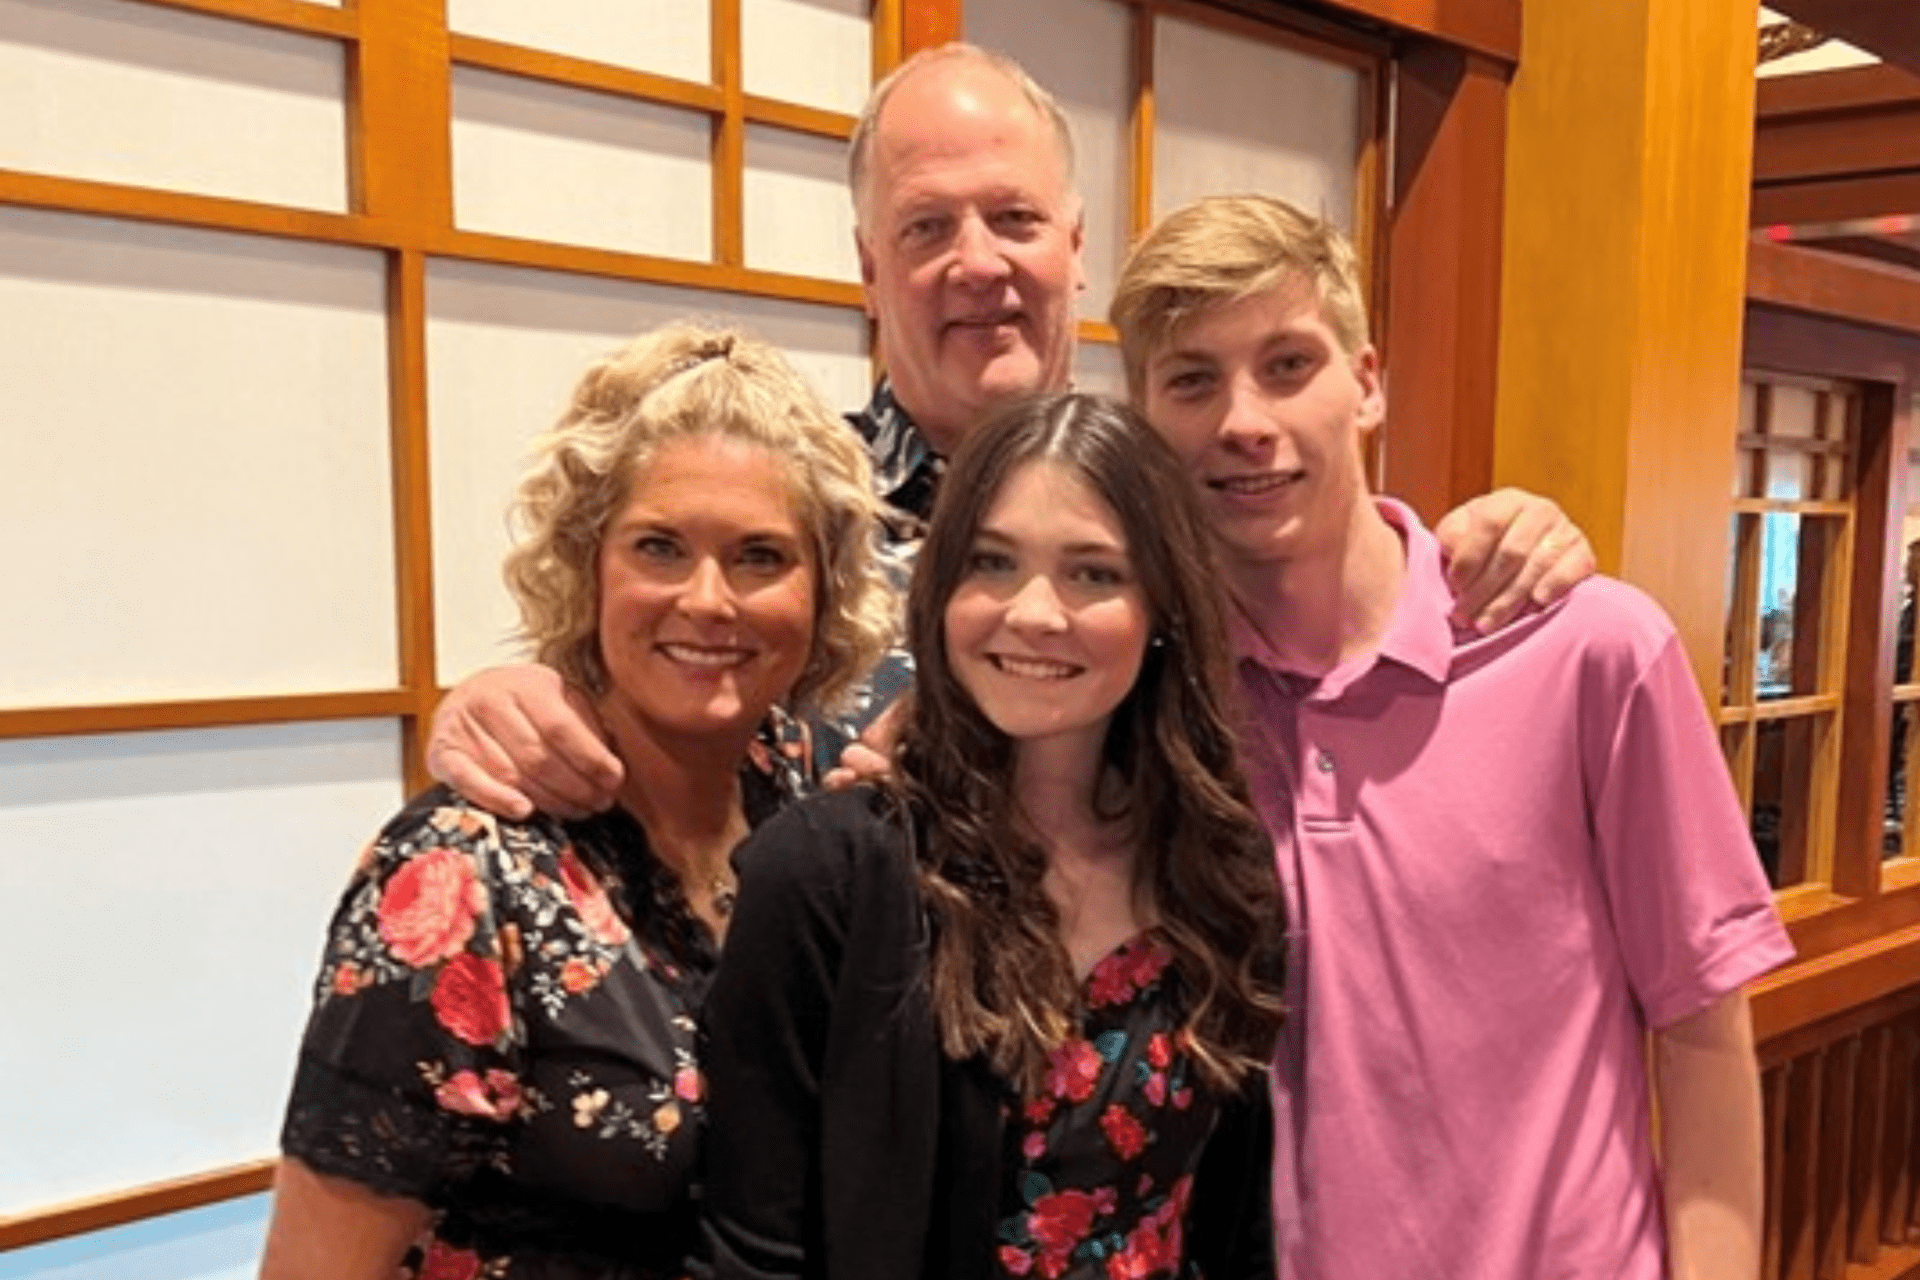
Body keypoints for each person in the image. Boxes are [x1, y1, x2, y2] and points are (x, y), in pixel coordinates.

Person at [423, 43, 1599, 818]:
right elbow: (631, 660)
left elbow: (1340, 599)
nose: (977, 262)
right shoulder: (779, 516)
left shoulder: (1175, 499)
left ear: (1076, 247)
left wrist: (1506, 537)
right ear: (870, 271)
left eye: (1014, 217)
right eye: (928, 226)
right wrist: (510, 694)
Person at [1109, 194, 1795, 1280]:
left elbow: (1705, 1038)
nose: (1244, 418)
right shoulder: (1149, 699)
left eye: (1288, 363)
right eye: (1193, 380)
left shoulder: (1590, 650)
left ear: (1367, 381)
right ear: (1146, 419)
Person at [258, 324, 895, 1280]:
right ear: (590, 565)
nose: (709, 601)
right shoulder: (463, 874)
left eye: (761, 556)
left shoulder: (823, 795)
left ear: (825, 589)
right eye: (660, 547)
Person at [699, 393, 1284, 1280]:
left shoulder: (1218, 875)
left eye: (1094, 573)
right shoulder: (828, 874)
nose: (1035, 613)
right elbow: (750, 1251)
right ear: (940, 591)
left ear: (1161, 606)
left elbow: (1234, 1229)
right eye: (993, 562)